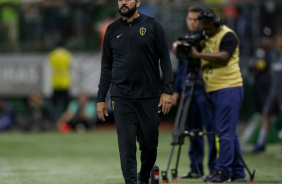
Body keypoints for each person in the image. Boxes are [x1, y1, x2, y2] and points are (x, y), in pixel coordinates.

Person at [96, 0, 174, 183]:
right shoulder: (112, 29)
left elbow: (166, 60)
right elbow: (106, 66)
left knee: (149, 146)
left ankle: (144, 177)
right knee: (127, 146)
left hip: (149, 96)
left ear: (138, 2)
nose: (123, 2)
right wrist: (101, 98)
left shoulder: (153, 25)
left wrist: (167, 91)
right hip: (121, 96)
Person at [192, 9, 246, 182]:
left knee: (224, 133)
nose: (206, 31)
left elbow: (223, 57)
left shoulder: (228, 35)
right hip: (214, 90)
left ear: (217, 24)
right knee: (228, 132)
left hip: (228, 88)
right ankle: (238, 173)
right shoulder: (205, 35)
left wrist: (199, 54)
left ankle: (223, 171)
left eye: (209, 28)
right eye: (204, 28)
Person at [171, 6, 216, 179]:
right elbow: (182, 69)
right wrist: (176, 91)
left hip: (205, 89)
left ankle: (214, 168)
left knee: (211, 130)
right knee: (192, 130)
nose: (192, 22)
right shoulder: (186, 41)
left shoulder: (209, 40)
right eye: (190, 19)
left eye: (196, 20)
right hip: (189, 90)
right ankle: (196, 168)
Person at [251, 29, 282, 153]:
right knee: (266, 116)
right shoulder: (272, 54)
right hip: (273, 92)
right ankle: (261, 143)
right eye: (279, 39)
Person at [48, 44, 73, 118]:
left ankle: (54, 118)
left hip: (55, 82)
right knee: (66, 104)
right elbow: (71, 65)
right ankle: (65, 119)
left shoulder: (52, 55)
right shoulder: (67, 55)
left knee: (54, 104)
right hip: (65, 83)